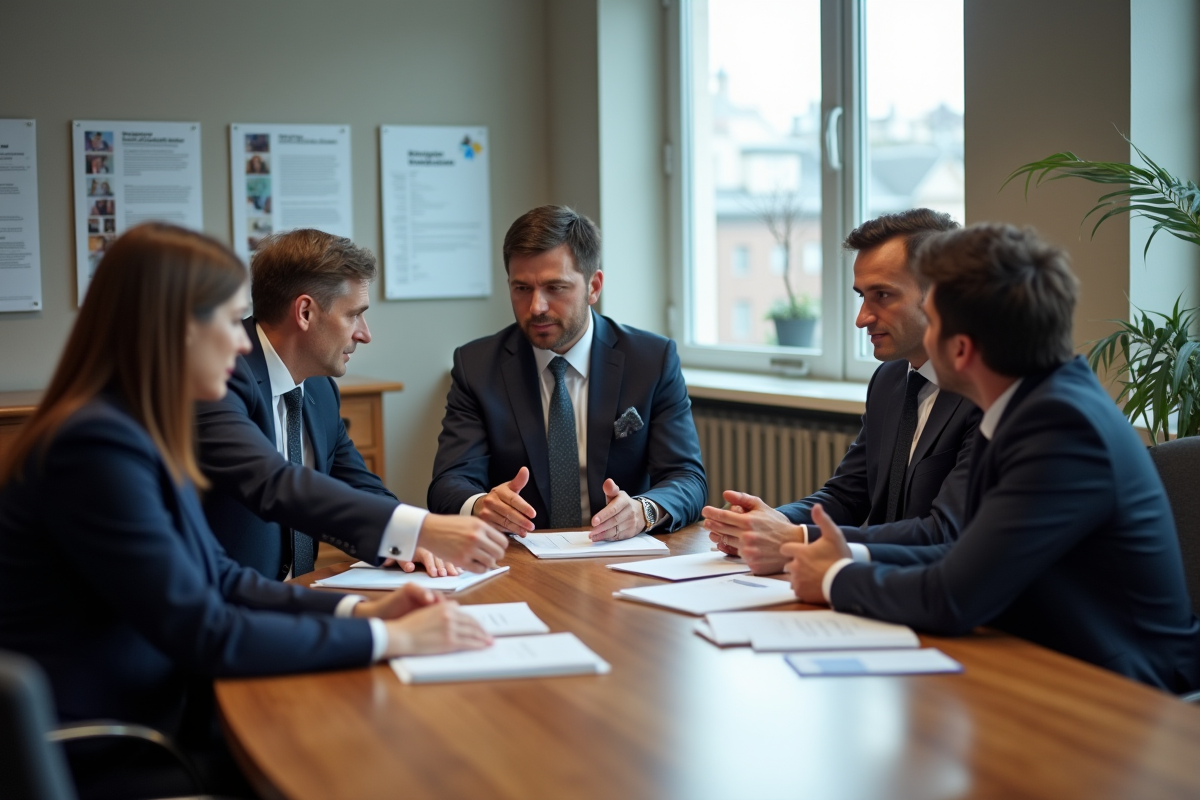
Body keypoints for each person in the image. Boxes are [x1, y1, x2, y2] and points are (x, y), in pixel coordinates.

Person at [0, 224, 493, 794]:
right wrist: (394, 641)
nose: (242, 344)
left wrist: (364, 614)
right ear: (177, 328)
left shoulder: (134, 431)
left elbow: (221, 577)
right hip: (122, 745)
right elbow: (206, 630)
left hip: (163, 711)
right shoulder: (95, 448)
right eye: (231, 320)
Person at [781, 223, 1200, 692]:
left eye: (932, 321)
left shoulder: (1061, 427)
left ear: (961, 350)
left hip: (1127, 691)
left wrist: (835, 577)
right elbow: (960, 554)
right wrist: (848, 554)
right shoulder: (1023, 403)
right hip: (1042, 659)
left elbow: (954, 595)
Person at [196, 229, 506, 580]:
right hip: (225, 601)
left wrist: (409, 541)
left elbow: (357, 485)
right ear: (305, 312)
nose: (365, 334)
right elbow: (274, 482)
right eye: (353, 315)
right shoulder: (221, 375)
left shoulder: (320, 388)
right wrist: (419, 528)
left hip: (297, 596)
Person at [702, 210, 980, 574]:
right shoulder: (889, 380)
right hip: (873, 584)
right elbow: (846, 495)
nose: (862, 318)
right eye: (862, 296)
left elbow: (944, 532)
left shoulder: (984, 393)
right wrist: (769, 523)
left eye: (882, 295)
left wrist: (796, 538)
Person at [428, 205, 707, 540]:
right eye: (521, 288)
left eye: (555, 287)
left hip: (619, 552)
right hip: (519, 552)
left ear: (594, 286)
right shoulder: (476, 366)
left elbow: (687, 478)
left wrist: (642, 511)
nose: (537, 307)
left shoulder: (651, 361)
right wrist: (480, 505)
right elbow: (448, 483)